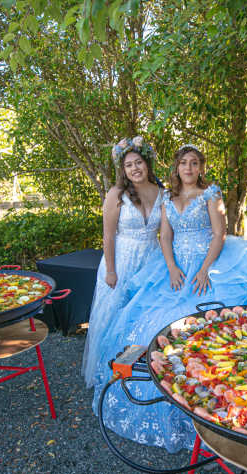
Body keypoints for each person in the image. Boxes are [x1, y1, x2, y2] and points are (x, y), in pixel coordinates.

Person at [94, 144, 247, 453]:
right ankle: (170, 399)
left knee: (214, 330)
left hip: (212, 265)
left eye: (194, 163)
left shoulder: (211, 194)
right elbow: (166, 237)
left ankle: (228, 402)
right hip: (173, 269)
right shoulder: (167, 198)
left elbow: (219, 234)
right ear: (176, 168)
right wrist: (171, 267)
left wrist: (204, 269)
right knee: (152, 325)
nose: (188, 167)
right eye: (183, 162)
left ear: (200, 168)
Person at [81, 136, 164, 388]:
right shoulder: (117, 194)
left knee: (141, 315)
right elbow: (108, 234)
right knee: (113, 315)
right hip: (121, 260)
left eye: (138, 162)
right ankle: (106, 372)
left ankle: (137, 370)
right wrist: (111, 270)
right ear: (123, 170)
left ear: (147, 164)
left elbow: (167, 232)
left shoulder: (162, 192)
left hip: (151, 259)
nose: (135, 168)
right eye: (129, 165)